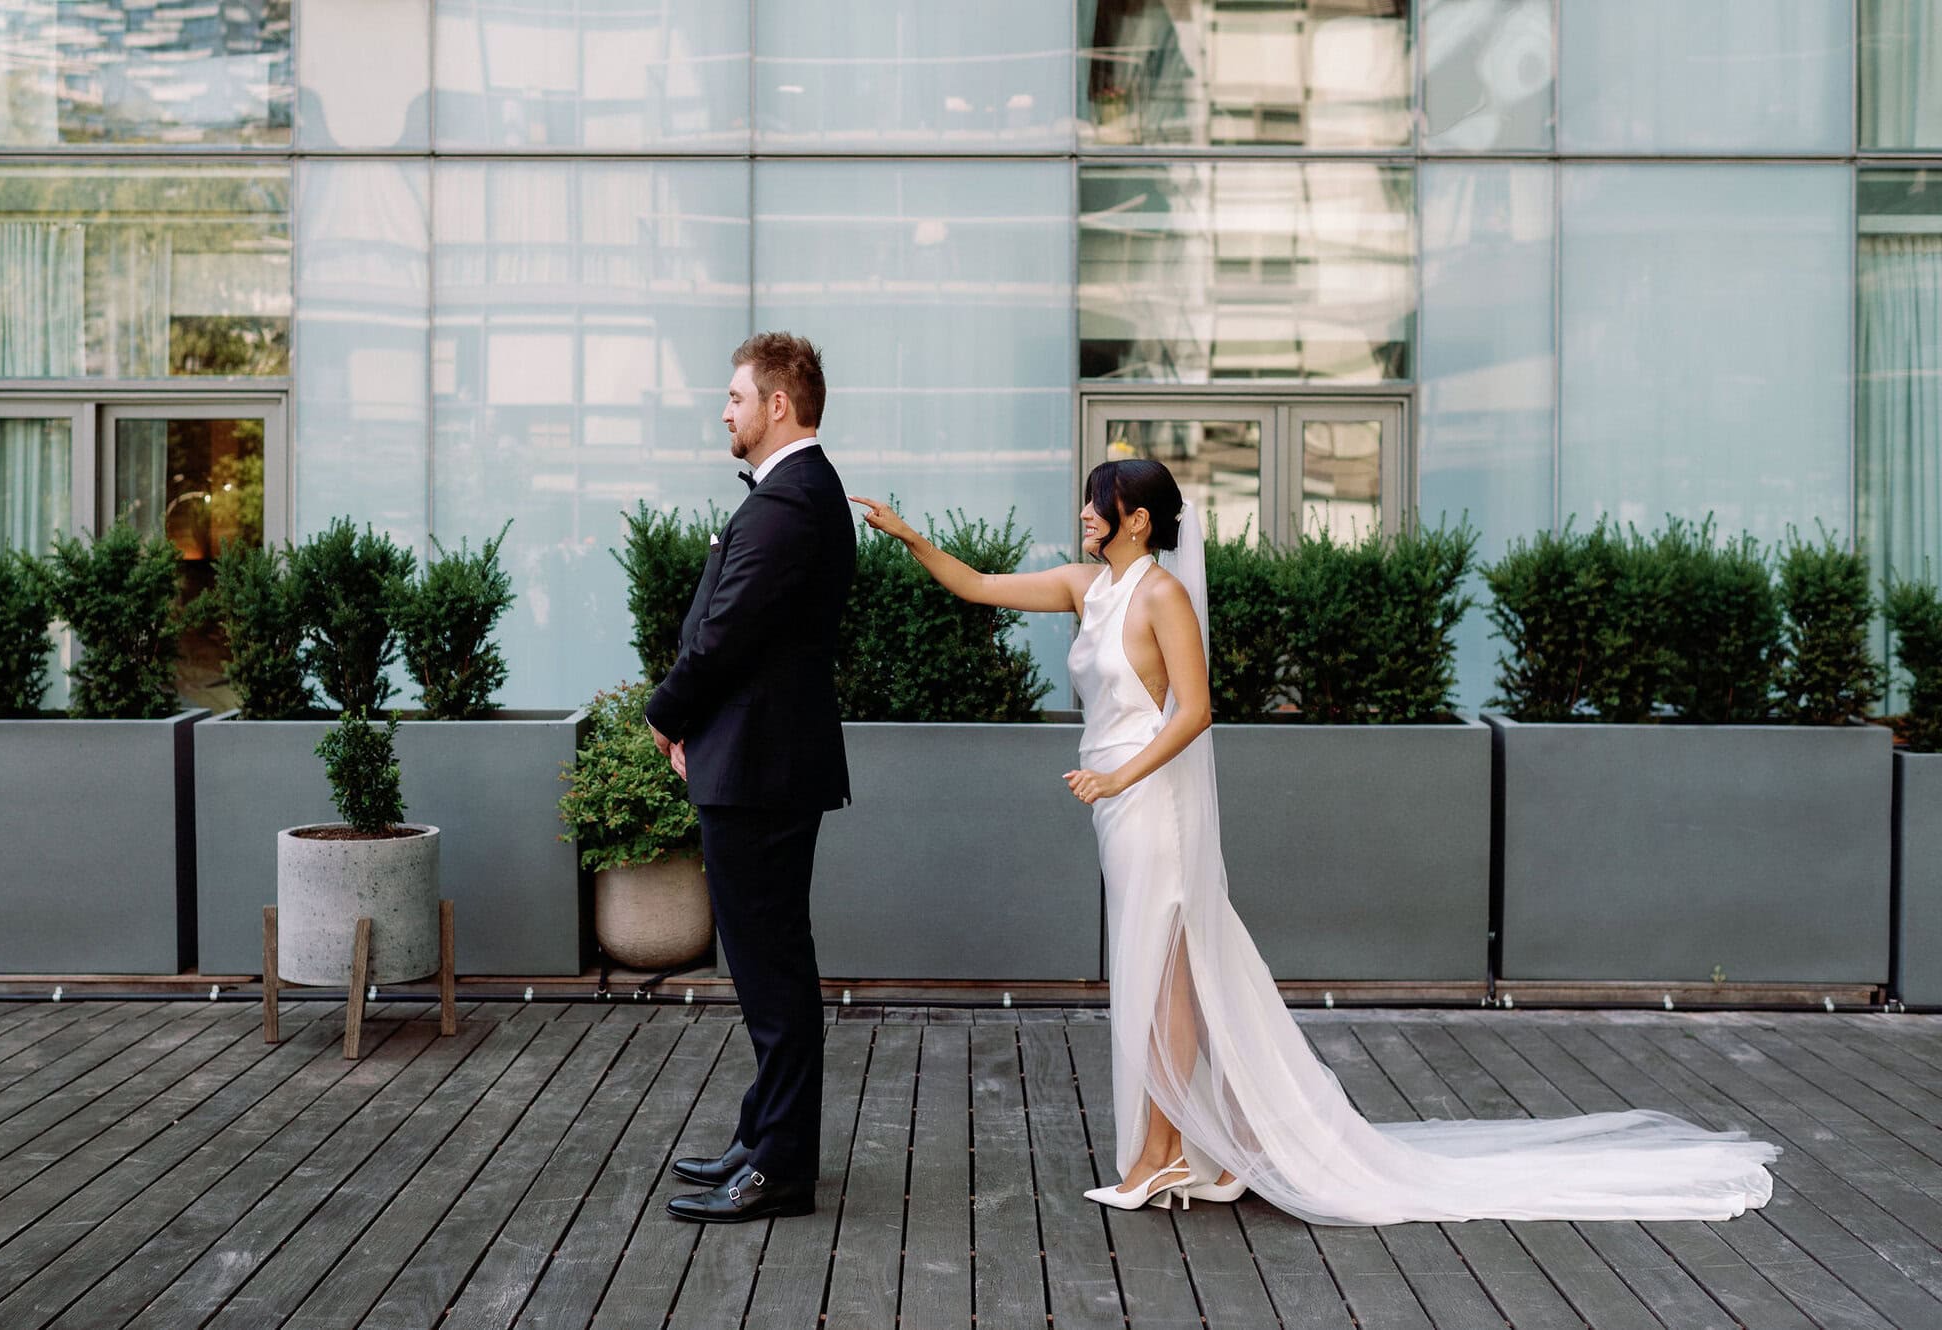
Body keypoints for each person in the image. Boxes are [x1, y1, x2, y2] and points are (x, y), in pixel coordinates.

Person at [849, 460, 1778, 1224]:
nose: (1085, 514)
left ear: (1134, 520)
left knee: (1163, 969)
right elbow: (976, 587)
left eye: (1098, 503)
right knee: (1157, 969)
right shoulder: (1084, 587)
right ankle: (1192, 1150)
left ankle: (1163, 1155)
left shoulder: (1163, 597)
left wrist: (1122, 777)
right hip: (1113, 801)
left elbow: (1197, 711)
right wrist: (907, 534)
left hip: (1149, 800)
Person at [648, 333, 855, 1224]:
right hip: (760, 762)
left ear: (779, 404)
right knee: (769, 965)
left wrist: (666, 712)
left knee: (772, 972)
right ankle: (763, 1137)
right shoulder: (794, 495)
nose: (724, 410)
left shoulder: (789, 502)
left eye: (735, 396)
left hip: (762, 771)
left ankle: (780, 1167)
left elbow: (725, 634)